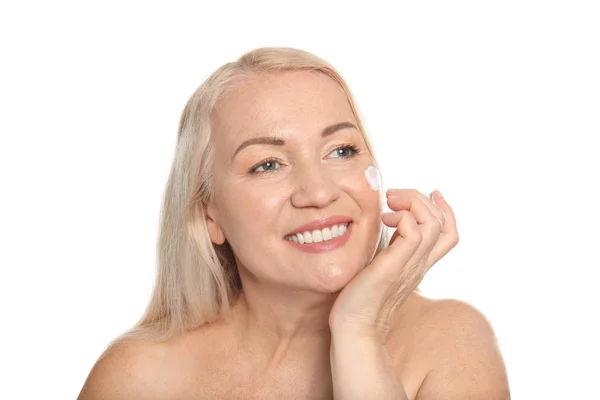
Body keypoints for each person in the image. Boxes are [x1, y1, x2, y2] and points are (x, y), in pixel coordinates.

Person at [78, 47, 510, 399]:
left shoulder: (451, 343)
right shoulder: (137, 379)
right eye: (268, 164)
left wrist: (358, 330)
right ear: (209, 216)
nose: (319, 192)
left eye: (341, 150)